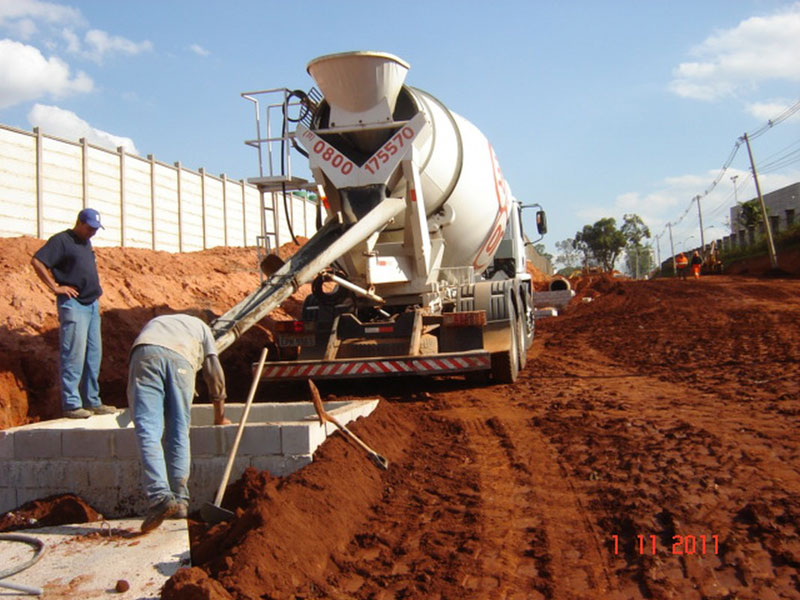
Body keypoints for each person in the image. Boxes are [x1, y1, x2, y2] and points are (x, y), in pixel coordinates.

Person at [127, 313, 230, 532]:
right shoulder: (202, 329)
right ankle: (180, 500)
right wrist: (219, 415)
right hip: (181, 360)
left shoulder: (157, 322)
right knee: (179, 430)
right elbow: (214, 374)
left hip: (145, 355)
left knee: (149, 430)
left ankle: (160, 497)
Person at [31, 208, 116, 419]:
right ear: (79, 223)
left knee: (93, 356)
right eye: (90, 228)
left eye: (96, 229)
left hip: (91, 305)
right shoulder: (61, 241)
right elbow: (37, 261)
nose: (93, 232)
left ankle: (92, 401)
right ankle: (71, 404)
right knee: (74, 355)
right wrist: (54, 287)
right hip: (74, 304)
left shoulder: (86, 242)